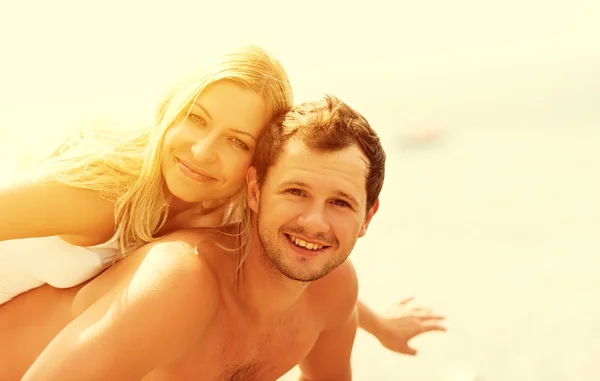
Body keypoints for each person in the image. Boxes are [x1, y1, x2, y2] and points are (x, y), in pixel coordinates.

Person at [0, 45, 443, 360]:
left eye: (236, 140)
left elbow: (302, 271)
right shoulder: (101, 193)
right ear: (171, 111)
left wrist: (378, 324)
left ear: (258, 166)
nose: (203, 151)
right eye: (196, 119)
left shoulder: (223, 207)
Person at [3, 95, 385, 380]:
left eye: (340, 202)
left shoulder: (332, 290)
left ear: (368, 216)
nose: (314, 222)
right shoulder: (179, 283)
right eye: (295, 192)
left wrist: (384, 326)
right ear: (254, 191)